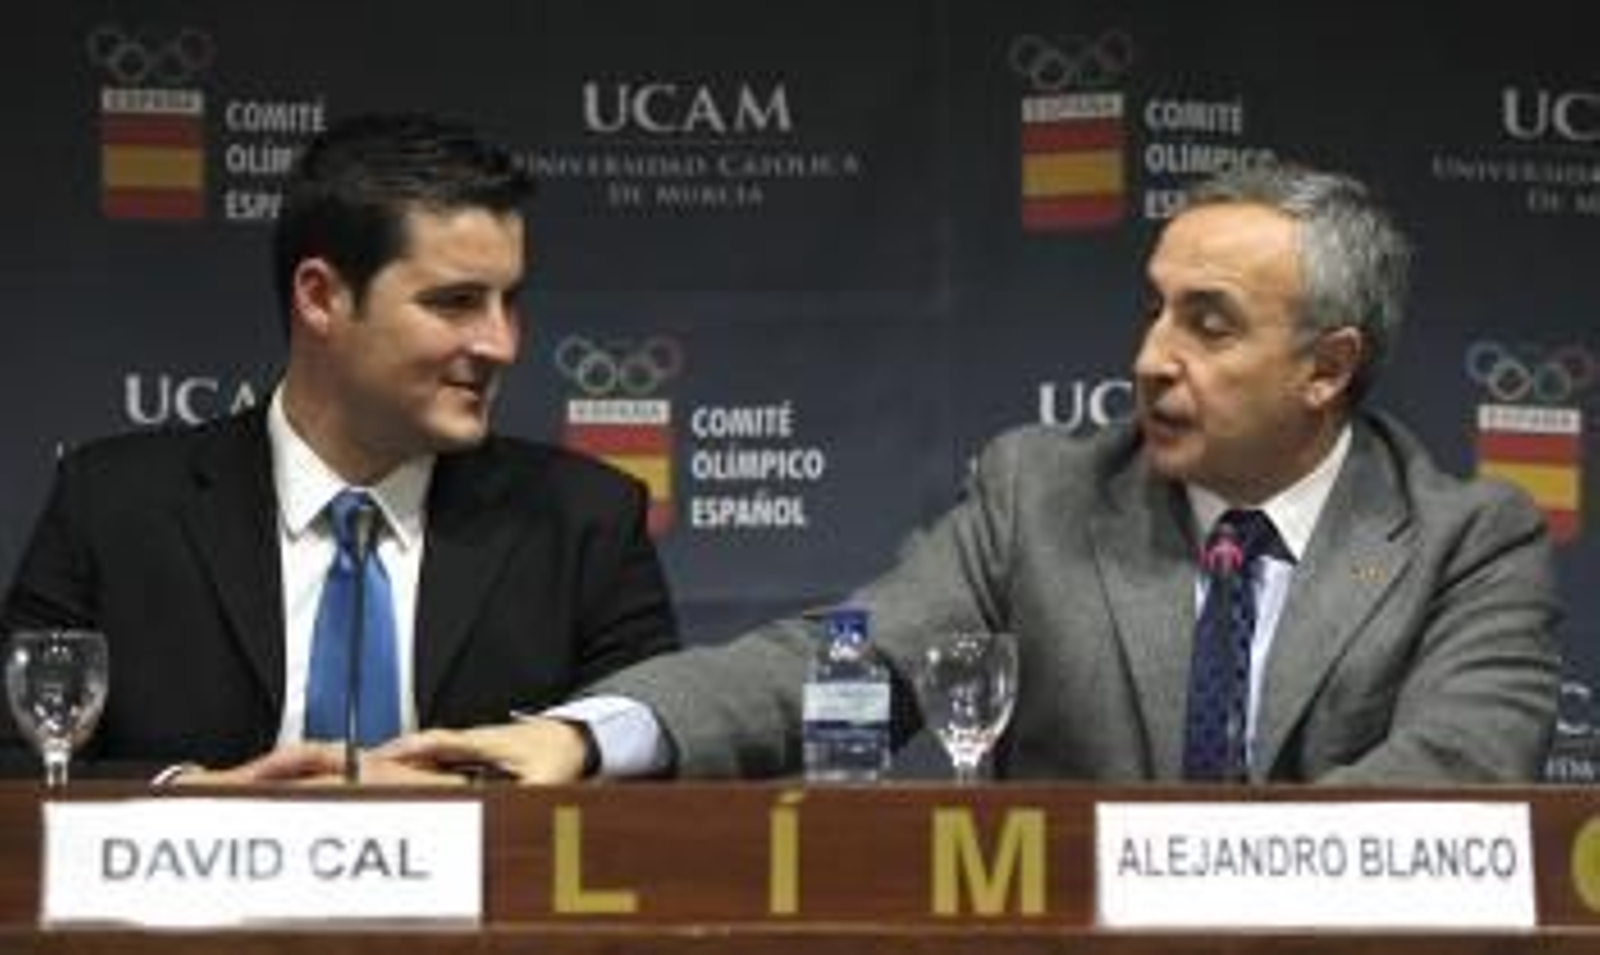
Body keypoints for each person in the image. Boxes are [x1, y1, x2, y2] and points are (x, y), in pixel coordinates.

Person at [381, 158, 1562, 785]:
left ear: (1326, 368)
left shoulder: (1470, 542)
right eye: (1152, 311)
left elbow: (1451, 777)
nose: (1149, 360)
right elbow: (840, 663)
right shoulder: (1040, 494)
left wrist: (1211, 887)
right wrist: (593, 737)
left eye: (1208, 325)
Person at [0, 112, 679, 783]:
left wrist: (466, 810)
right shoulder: (114, 505)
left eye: (509, 301)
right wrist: (187, 798)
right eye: (456, 302)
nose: (501, 344)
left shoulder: (584, 518)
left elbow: (652, 760)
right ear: (321, 297)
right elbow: (17, 759)